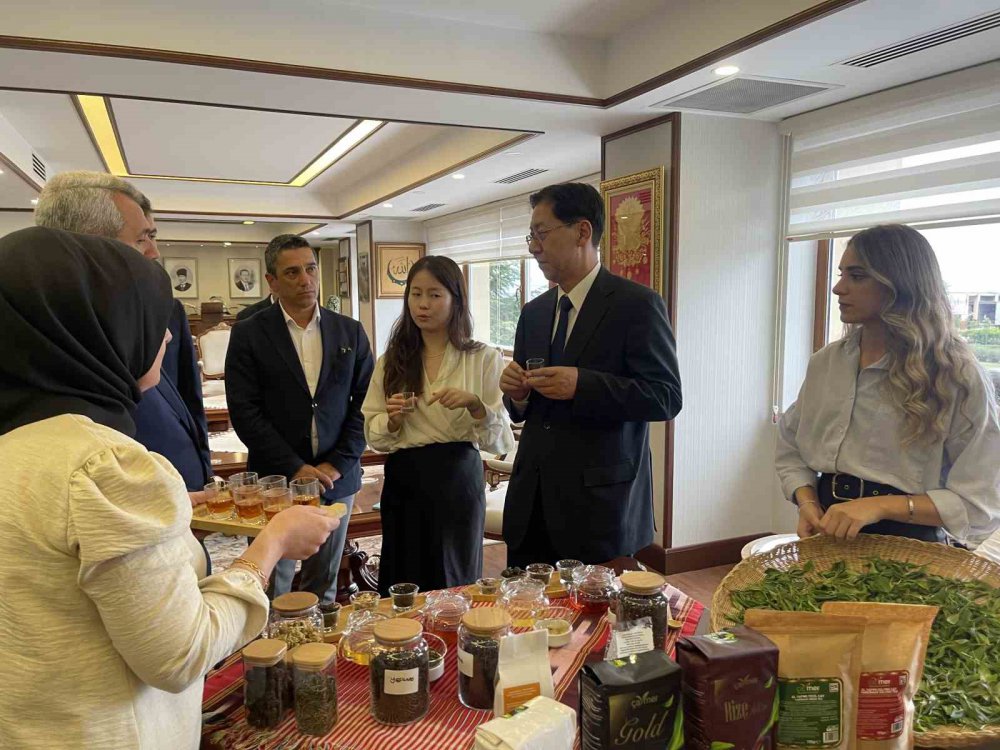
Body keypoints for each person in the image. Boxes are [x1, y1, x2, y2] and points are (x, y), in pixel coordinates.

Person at [0, 226, 340, 750]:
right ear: (102, 332)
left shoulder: (24, 443)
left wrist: (170, 510)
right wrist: (269, 545)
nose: (165, 339)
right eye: (152, 322)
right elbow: (180, 653)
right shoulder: (105, 466)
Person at [777, 224, 1000, 546]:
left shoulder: (956, 376)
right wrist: (807, 501)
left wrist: (880, 505)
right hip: (830, 533)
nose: (838, 288)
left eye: (857, 276)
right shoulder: (827, 363)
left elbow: (981, 500)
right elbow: (791, 446)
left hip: (913, 546)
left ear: (900, 285)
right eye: (841, 274)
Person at [499, 182, 682, 568]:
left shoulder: (637, 305)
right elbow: (521, 410)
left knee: (595, 623)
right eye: (531, 235)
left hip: (600, 508)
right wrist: (517, 395)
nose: (533, 246)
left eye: (542, 233)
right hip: (532, 502)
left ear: (582, 231)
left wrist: (583, 384)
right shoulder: (533, 312)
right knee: (525, 617)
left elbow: (665, 396)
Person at [35, 172, 212, 502]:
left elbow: (187, 397)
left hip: (185, 494)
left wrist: (201, 469)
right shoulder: (34, 331)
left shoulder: (163, 309)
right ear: (87, 242)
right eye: (142, 238)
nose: (154, 253)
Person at [226, 234, 374, 603]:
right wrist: (295, 468)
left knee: (323, 580)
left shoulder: (349, 331)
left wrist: (337, 465)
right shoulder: (249, 333)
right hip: (277, 480)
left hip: (336, 480)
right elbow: (245, 412)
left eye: (310, 269)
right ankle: (269, 654)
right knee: (270, 579)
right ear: (272, 281)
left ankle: (316, 654)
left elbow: (367, 405)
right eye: (291, 272)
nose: (305, 279)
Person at [362, 256, 514, 594]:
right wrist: (393, 419)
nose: (422, 305)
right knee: (403, 579)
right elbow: (374, 436)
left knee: (454, 581)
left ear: (455, 299)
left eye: (434, 295)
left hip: (456, 479)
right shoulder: (392, 362)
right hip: (405, 478)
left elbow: (500, 441)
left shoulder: (483, 358)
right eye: (415, 295)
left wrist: (476, 405)